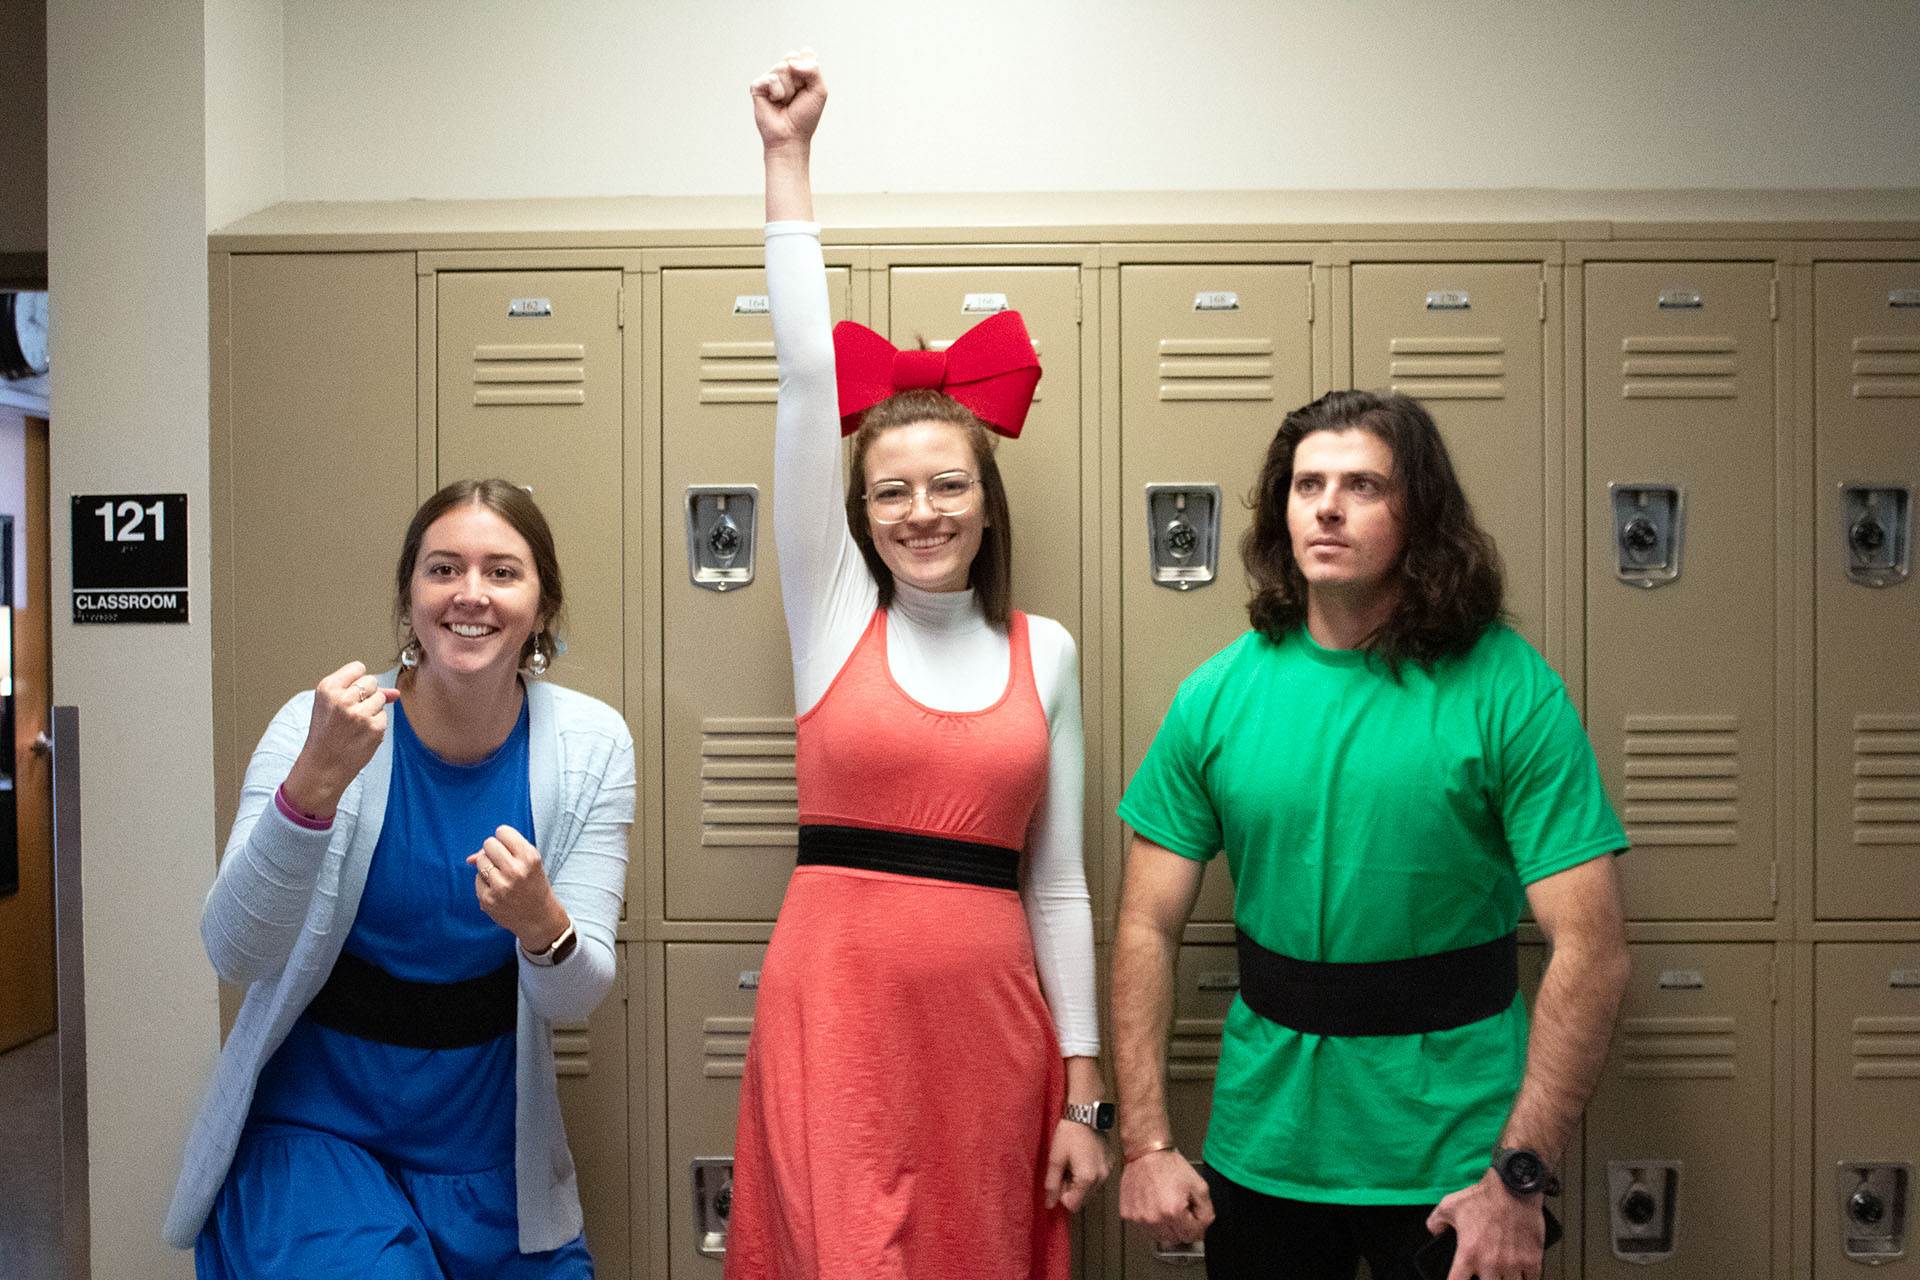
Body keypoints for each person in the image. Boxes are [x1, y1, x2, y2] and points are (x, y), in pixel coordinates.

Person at [723, 50, 1107, 1280]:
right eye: (892, 491)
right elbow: (798, 381)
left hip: (995, 1033)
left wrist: (1085, 1085)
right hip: (836, 1015)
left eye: (949, 485)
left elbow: (1058, 885)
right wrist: (790, 163)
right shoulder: (835, 617)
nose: (922, 510)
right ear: (861, 514)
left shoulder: (1044, 650)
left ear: (988, 505)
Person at [1112, 390, 1630, 1280]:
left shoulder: (1509, 688)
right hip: (1263, 1149)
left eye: (1363, 485)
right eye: (1307, 482)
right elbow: (1143, 928)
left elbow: (1593, 948)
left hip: (1457, 1167)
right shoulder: (1219, 692)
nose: (1328, 505)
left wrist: (1519, 1177)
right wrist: (1147, 1143)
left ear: (1418, 514)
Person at [164, 479, 634, 1278]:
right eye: (443, 569)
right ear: (410, 597)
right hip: (315, 1137)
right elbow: (233, 950)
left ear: (543, 606)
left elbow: (571, 995)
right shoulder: (319, 726)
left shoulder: (592, 745)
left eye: (502, 572)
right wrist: (311, 785)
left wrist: (540, 923)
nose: (470, 595)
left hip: (488, 1154)